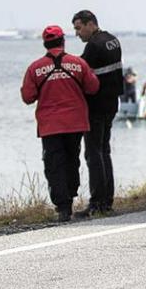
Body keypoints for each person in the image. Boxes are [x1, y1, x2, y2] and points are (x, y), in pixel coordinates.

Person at [20, 26, 99, 222]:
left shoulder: (35, 68)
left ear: (45, 44)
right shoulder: (78, 63)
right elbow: (93, 87)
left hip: (50, 125)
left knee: (54, 164)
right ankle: (70, 198)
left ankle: (63, 207)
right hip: (75, 123)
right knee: (72, 160)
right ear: (63, 41)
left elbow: (27, 97)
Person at [72, 10, 123, 216]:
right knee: (104, 151)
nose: (77, 33)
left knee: (93, 153)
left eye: (78, 28)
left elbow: (80, 69)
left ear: (90, 24)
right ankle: (107, 201)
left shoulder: (93, 45)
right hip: (112, 103)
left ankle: (97, 203)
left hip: (96, 106)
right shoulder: (112, 40)